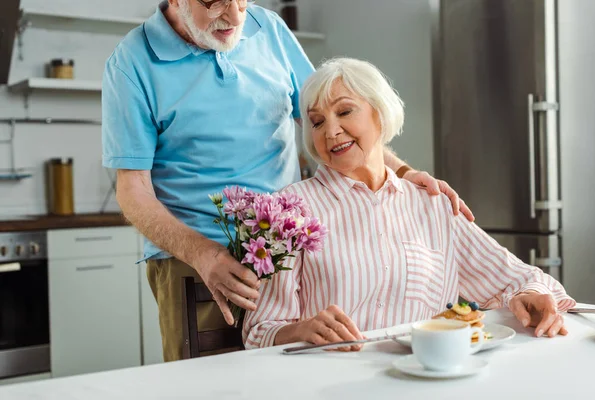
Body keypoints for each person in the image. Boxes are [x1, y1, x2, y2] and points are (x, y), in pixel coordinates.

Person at [102, 0, 472, 361]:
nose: (233, 15)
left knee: (302, 375)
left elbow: (329, 124)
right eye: (214, 3)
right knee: (212, 385)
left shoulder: (270, 29)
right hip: (198, 262)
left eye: (242, 0)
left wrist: (405, 173)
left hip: (291, 255)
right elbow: (132, 189)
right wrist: (204, 254)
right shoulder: (133, 62)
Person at [243, 58, 576, 350]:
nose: (331, 131)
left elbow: (521, 279)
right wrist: (300, 330)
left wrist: (527, 295)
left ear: (380, 113)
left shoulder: (432, 205)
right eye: (316, 122)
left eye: (345, 111)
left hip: (425, 376)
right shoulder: (288, 211)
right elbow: (259, 331)